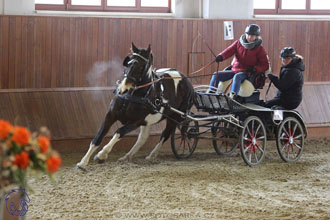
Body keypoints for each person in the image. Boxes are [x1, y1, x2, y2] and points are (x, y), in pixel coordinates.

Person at [209, 24, 269, 98]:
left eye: (252, 36)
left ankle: (233, 96)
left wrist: (255, 68)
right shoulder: (238, 43)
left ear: (256, 37)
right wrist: (221, 56)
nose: (250, 37)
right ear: (245, 34)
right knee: (216, 74)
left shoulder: (260, 49)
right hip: (235, 70)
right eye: (248, 35)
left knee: (237, 77)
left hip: (247, 73)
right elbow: (229, 51)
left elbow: (265, 65)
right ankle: (211, 93)